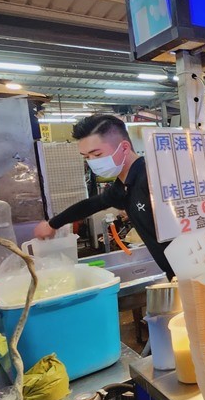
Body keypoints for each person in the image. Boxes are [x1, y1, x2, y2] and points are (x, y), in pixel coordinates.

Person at [33, 114, 174, 278]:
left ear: (124, 148)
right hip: (176, 275)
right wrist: (52, 224)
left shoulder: (154, 178)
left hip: (196, 273)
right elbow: (93, 204)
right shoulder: (123, 186)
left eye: (97, 154)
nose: (92, 162)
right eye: (86, 157)